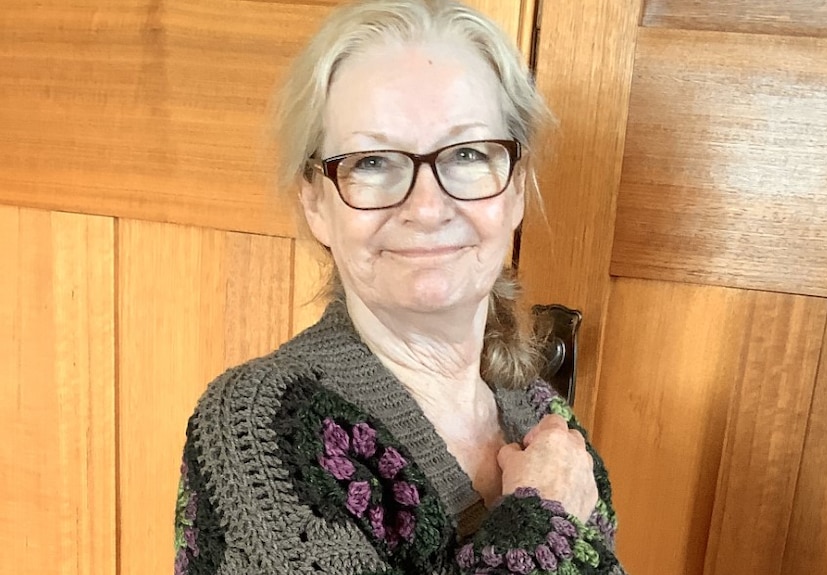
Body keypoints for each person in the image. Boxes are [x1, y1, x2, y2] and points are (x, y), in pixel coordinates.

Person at [173, 1, 625, 573]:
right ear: (316, 202)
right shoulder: (263, 427)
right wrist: (546, 519)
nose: (428, 207)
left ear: (514, 189)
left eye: (466, 154)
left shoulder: (545, 422)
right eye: (372, 161)